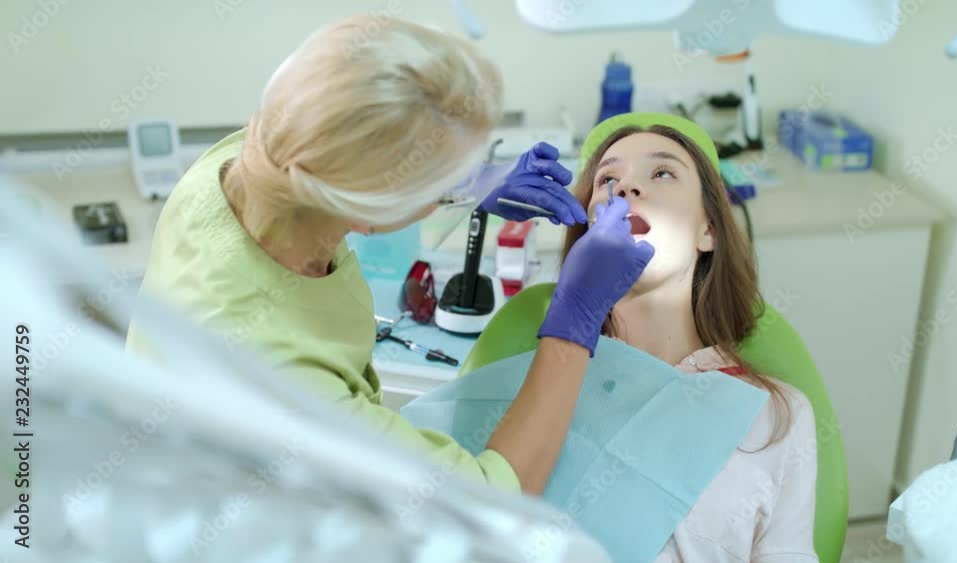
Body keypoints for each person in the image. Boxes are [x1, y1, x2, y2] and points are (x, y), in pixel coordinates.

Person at [124, 15, 654, 496]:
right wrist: (575, 319)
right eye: (437, 178)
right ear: (367, 214)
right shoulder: (281, 374)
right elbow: (489, 500)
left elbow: (346, 149)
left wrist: (463, 180)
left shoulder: (246, 161)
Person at [563, 113, 819, 561]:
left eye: (661, 172)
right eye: (608, 179)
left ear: (710, 230)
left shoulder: (777, 417)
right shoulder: (548, 386)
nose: (626, 189)